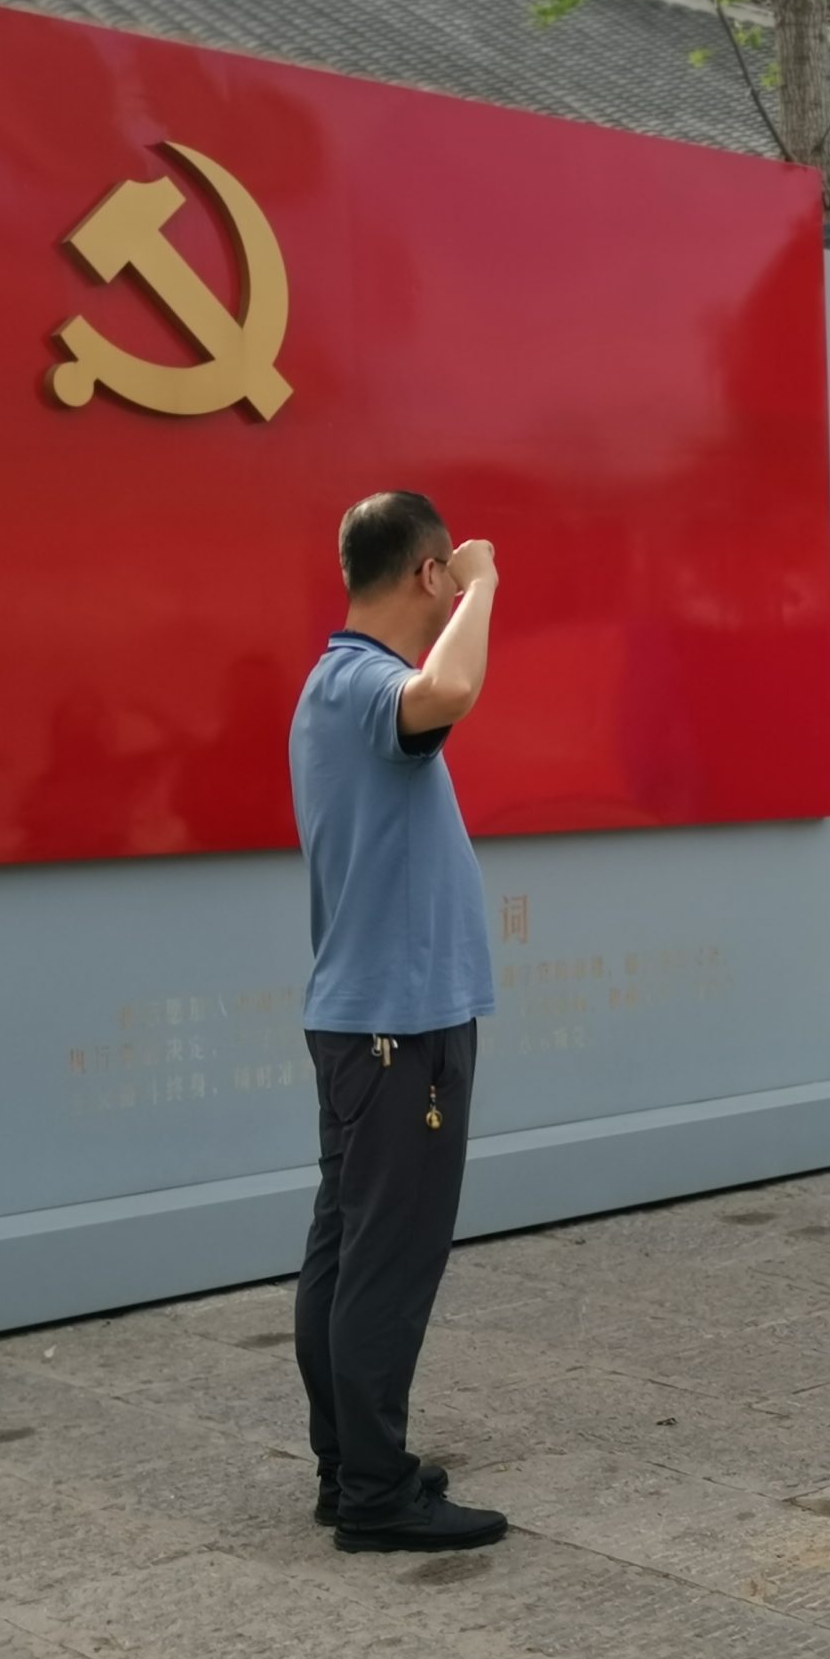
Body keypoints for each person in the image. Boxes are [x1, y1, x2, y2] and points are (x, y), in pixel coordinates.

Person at [289, 490, 509, 1554]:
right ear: (428, 573)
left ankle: (352, 1470)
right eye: (447, 573)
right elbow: (452, 685)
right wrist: (487, 583)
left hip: (369, 1026)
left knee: (346, 1254)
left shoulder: (335, 686)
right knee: (387, 1261)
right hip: (396, 1030)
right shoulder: (364, 683)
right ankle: (376, 1494)